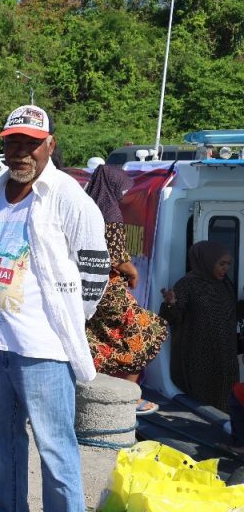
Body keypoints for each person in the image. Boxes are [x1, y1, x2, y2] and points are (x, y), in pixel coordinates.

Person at [0, 105, 108, 512]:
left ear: (49, 144)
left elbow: (94, 269)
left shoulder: (69, 196)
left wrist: (66, 322)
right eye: (13, 142)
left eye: (30, 142)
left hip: (44, 345)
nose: (21, 151)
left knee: (54, 444)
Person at [84, 165, 167, 415]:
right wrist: (133, 272)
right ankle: (129, 397)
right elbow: (117, 257)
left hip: (89, 288)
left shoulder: (86, 209)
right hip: (110, 289)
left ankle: (90, 390)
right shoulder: (110, 212)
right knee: (150, 330)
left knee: (97, 337)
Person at [160, 241, 238, 413]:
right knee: (203, 407)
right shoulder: (187, 284)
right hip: (199, 358)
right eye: (221, 263)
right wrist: (170, 304)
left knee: (226, 403)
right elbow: (171, 318)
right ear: (207, 261)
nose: (225, 268)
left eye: (228, 264)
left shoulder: (225, 284)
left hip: (225, 357)